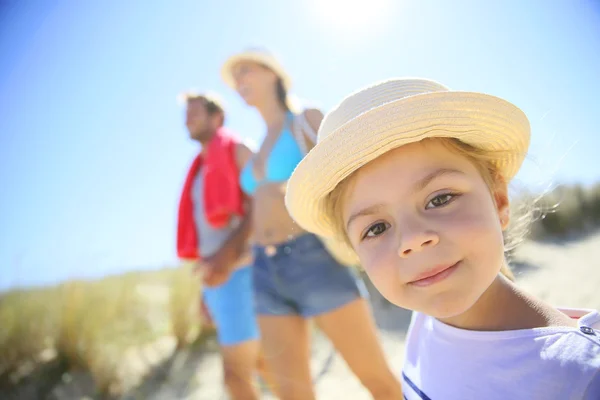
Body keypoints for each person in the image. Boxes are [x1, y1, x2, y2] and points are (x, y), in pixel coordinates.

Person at [285, 77, 600, 399]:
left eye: (440, 199)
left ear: (499, 200)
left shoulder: (580, 376)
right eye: (376, 228)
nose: (413, 240)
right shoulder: (425, 321)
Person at [220, 49, 404, 400]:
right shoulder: (257, 145)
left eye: (246, 70)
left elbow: (348, 179)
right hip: (263, 268)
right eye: (235, 77)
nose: (239, 81)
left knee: (377, 381)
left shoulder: (304, 119)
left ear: (272, 73)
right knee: (292, 395)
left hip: (312, 257)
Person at [175, 91, 274, 399]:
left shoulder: (236, 150)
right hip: (218, 283)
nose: (187, 119)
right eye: (186, 113)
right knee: (265, 368)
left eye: (195, 112)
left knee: (235, 377)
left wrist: (227, 256)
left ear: (217, 117)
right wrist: (206, 293)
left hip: (243, 273)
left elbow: (267, 198)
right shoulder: (197, 171)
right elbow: (207, 240)